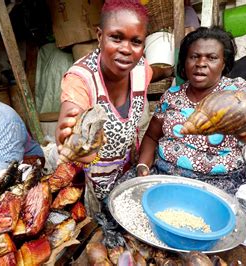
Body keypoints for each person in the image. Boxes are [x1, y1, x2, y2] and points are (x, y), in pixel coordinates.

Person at [136, 27, 246, 194]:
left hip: (219, 184)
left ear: (224, 63)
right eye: (194, 57)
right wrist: (142, 165)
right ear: (184, 62)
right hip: (165, 174)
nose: (201, 64)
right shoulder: (171, 96)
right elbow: (151, 136)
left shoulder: (236, 92)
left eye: (212, 58)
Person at [56, 0, 172, 206]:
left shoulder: (140, 69)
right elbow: (72, 116)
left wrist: (170, 70)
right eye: (116, 38)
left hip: (127, 169)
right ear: (100, 36)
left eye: (136, 42)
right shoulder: (80, 79)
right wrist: (71, 138)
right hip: (89, 179)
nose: (126, 49)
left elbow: (155, 72)